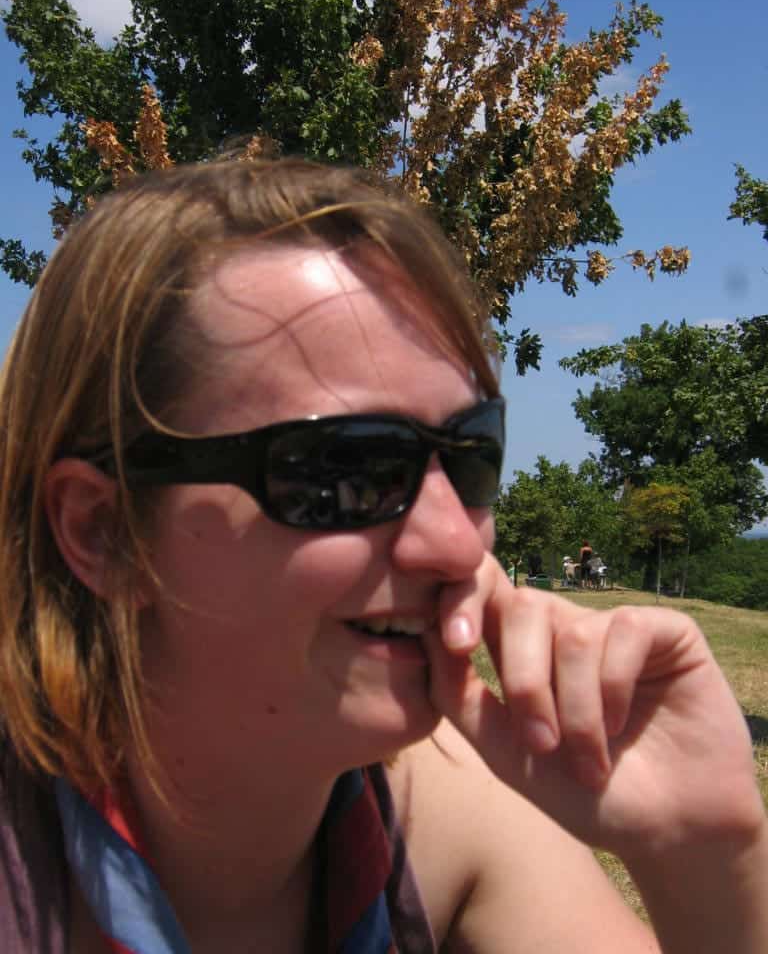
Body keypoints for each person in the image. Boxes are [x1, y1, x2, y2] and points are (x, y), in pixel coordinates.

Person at [0, 158, 765, 954]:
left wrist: (707, 849)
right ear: (105, 532)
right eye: (345, 470)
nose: (458, 543)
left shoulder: (448, 816)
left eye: (470, 456)